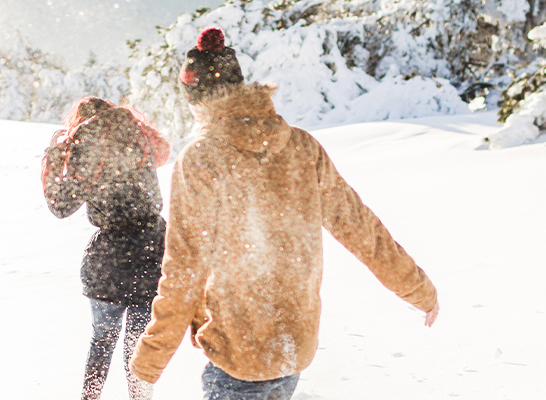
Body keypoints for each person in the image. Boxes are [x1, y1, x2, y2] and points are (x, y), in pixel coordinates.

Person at [128, 28, 440, 400]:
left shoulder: (201, 159)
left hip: (238, 356)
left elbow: (184, 267)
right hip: (292, 350)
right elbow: (362, 229)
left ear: (194, 98)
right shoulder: (302, 147)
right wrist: (420, 290)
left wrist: (148, 362)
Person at [41, 96, 171, 400]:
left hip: (110, 258)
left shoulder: (89, 143)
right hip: (153, 249)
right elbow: (163, 154)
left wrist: (54, 158)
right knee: (138, 347)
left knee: (102, 342)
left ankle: (91, 397)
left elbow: (61, 206)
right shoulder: (136, 135)